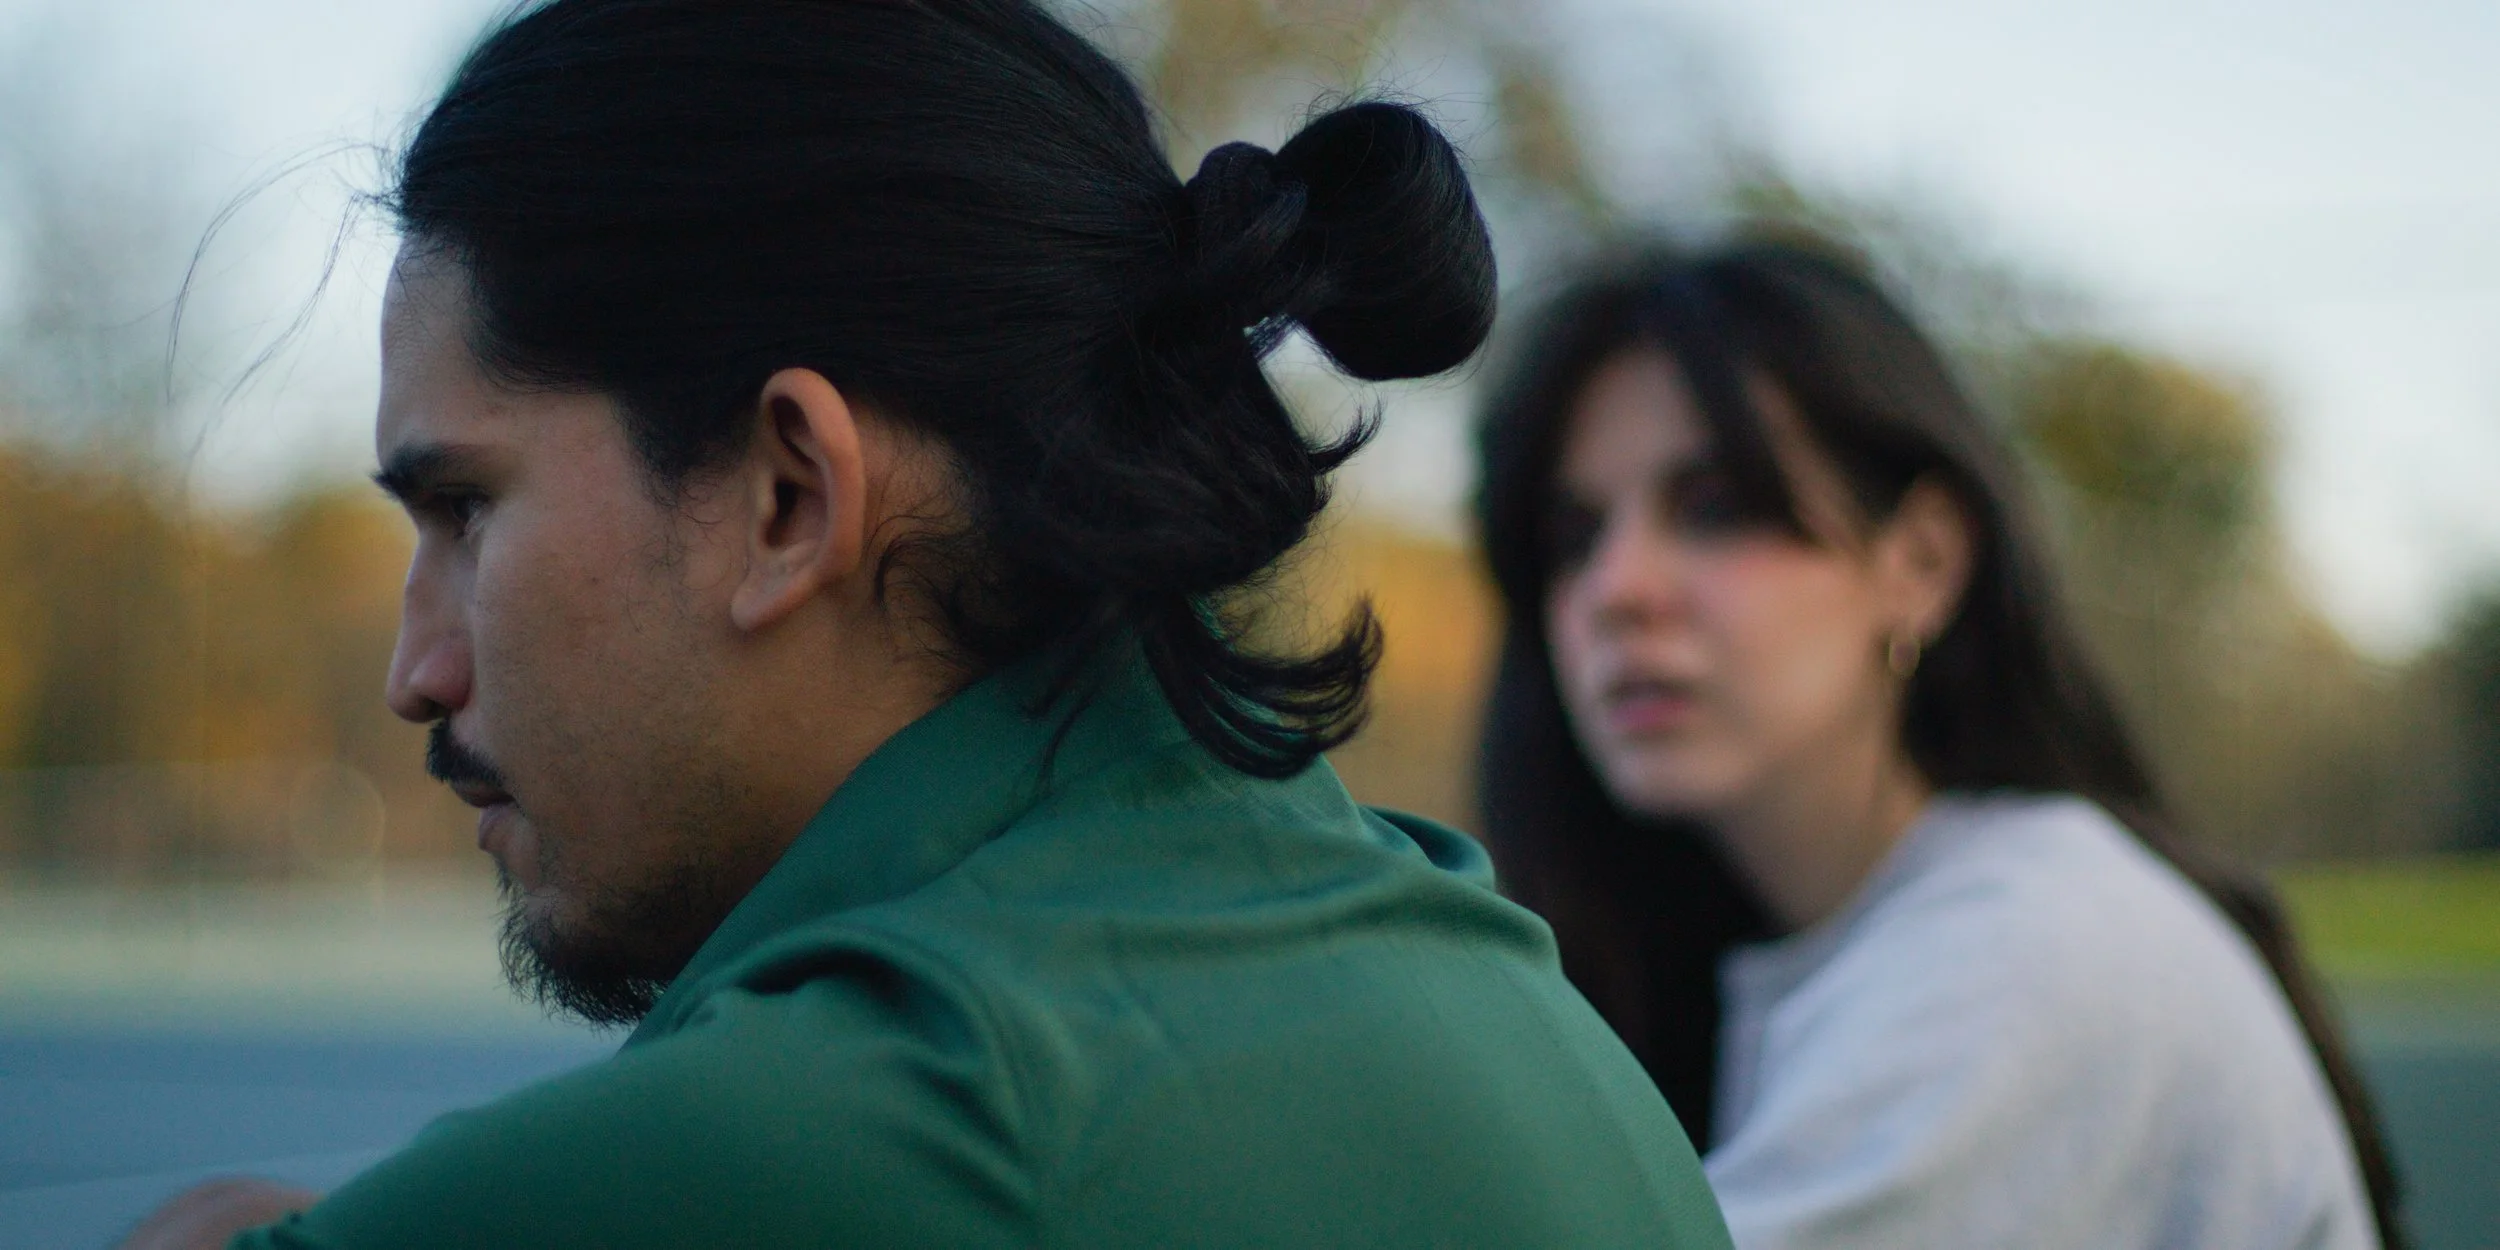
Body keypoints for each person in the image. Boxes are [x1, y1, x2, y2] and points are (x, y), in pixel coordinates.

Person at [117, 3, 1739, 1247]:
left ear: (789, 497)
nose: (417, 671)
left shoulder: (853, 1120)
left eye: (468, 510)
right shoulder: (1489, 978)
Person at [1472, 240, 2403, 1250]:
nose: (1616, 589)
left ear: (1920, 561)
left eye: (1714, 508)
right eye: (1574, 537)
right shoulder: (1743, 957)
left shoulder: (2031, 943)